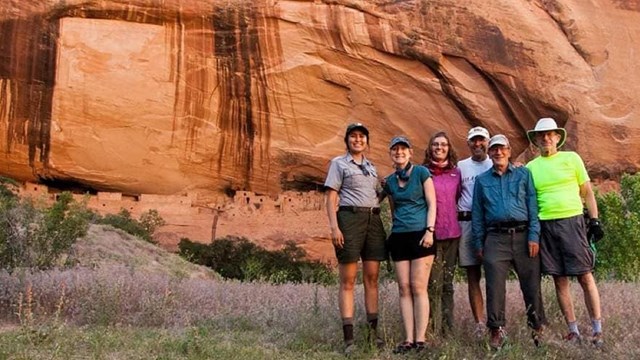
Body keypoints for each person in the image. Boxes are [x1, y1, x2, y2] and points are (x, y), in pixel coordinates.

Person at [526, 117, 605, 347]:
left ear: (558, 137)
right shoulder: (531, 168)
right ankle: (573, 330)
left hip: (572, 220)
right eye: (542, 135)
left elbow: (587, 191)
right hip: (546, 225)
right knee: (559, 279)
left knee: (585, 275)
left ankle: (597, 329)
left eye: (550, 134)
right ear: (536, 140)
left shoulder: (572, 159)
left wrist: (595, 220)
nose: (546, 138)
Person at [472, 134, 546, 349]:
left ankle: (537, 327)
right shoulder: (482, 180)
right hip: (495, 238)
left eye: (502, 148)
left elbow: (533, 206)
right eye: (494, 149)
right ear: (489, 152)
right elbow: (477, 214)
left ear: (509, 150)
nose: (498, 152)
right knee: (494, 286)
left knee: (531, 285)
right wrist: (479, 243)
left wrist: (534, 235)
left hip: (524, 236)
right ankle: (496, 330)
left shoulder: (524, 174)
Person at [324, 123, 387, 354]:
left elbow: (374, 197)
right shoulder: (339, 164)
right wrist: (334, 227)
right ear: (347, 140)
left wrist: (386, 190)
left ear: (367, 142)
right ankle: (349, 339)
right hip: (349, 219)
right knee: (348, 280)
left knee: (372, 278)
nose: (358, 140)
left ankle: (373, 335)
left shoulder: (371, 167)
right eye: (353, 136)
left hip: (372, 220)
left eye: (362, 137)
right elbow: (331, 197)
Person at [383, 136, 437, 353]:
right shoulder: (389, 181)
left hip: (421, 235)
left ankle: (420, 339)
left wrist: (430, 230)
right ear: (391, 154)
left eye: (403, 149)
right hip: (399, 235)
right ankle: (408, 339)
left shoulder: (422, 173)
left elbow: (432, 202)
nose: (399, 153)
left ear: (410, 152)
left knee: (418, 286)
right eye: (395, 150)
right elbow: (391, 205)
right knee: (403, 288)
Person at [423, 131, 461, 336]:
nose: (440, 147)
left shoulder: (456, 173)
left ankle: (447, 331)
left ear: (449, 148)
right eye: (436, 144)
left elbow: (459, 195)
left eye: (444, 144)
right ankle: (429, 329)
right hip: (431, 235)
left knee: (447, 284)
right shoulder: (422, 172)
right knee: (432, 284)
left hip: (453, 233)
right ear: (430, 148)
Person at [457, 126, 493, 338]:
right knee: (473, 275)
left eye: (482, 140)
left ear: (487, 142)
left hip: (491, 225)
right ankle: (480, 322)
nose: (478, 144)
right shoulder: (461, 166)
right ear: (468, 143)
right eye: (474, 141)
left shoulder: (495, 162)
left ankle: (495, 320)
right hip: (467, 222)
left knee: (493, 274)